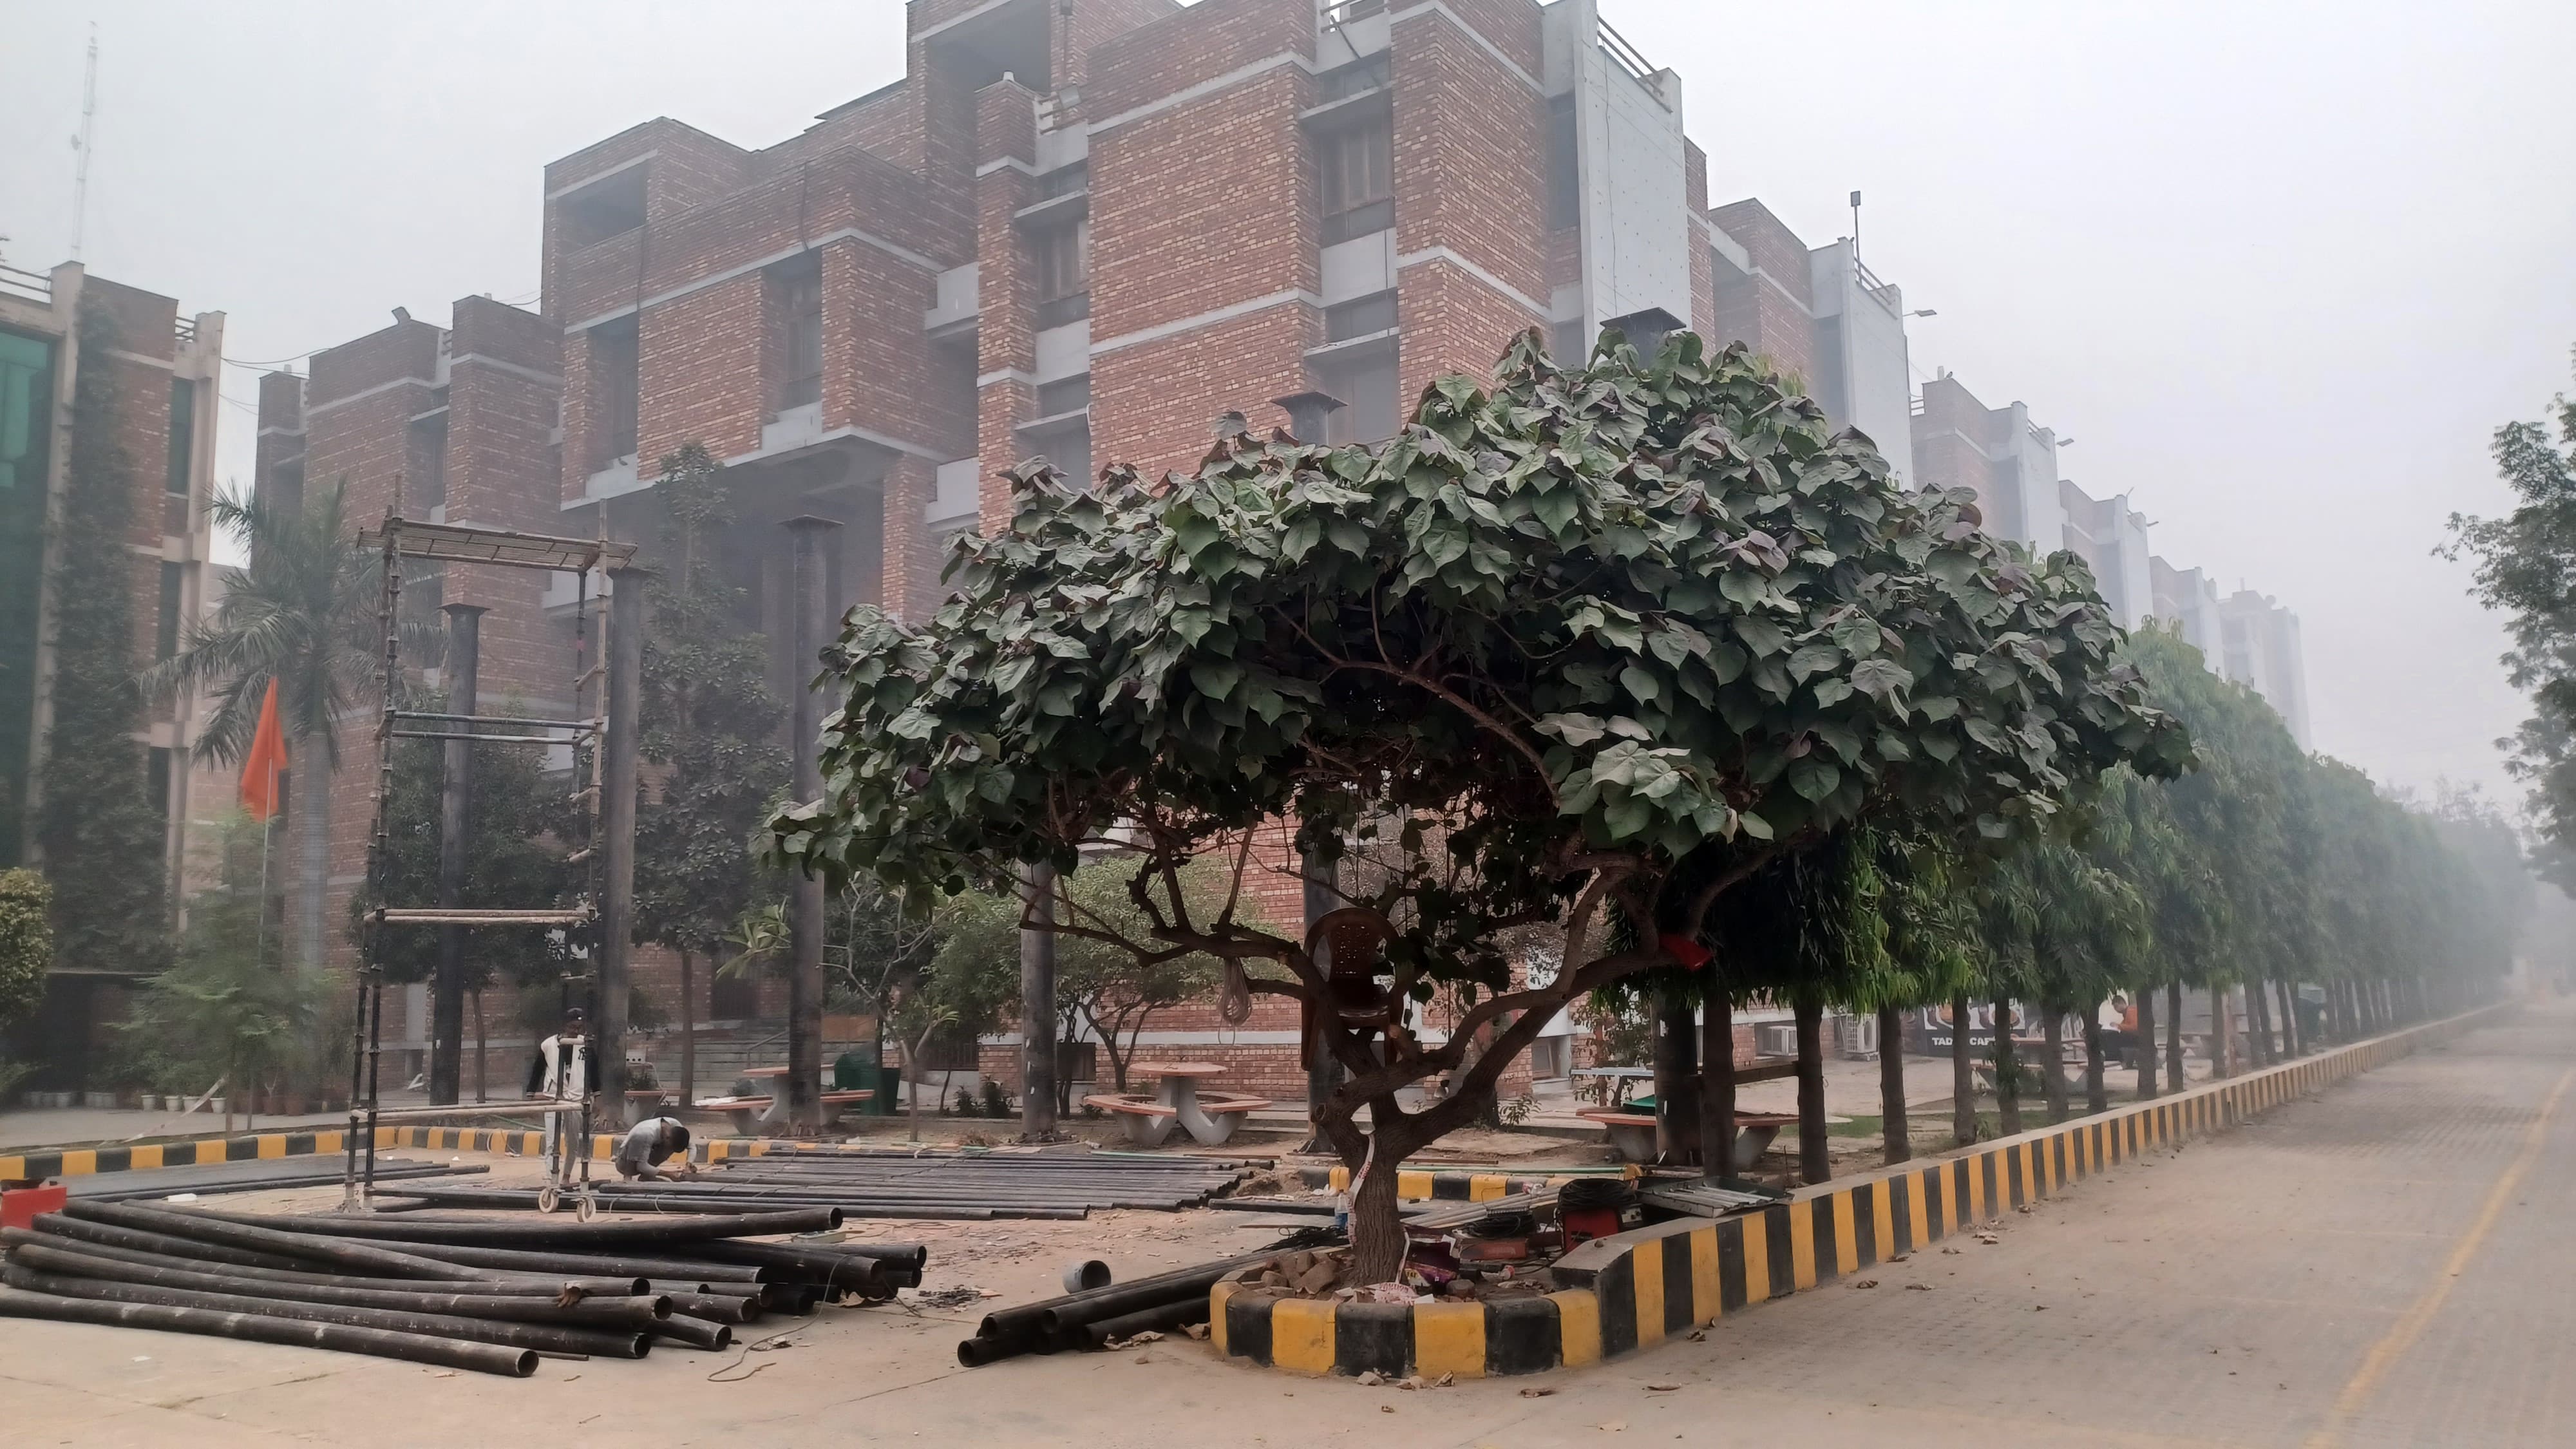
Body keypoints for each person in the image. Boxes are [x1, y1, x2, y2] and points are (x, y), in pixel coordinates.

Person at [614, 1116, 695, 1181]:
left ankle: (647, 1177)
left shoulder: (676, 1127)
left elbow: (692, 1147)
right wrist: (669, 1174)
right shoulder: (646, 1134)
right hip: (623, 1163)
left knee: (665, 1148)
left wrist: (688, 1166)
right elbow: (641, 1166)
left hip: (646, 1147)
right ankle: (627, 1178)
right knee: (637, 1145)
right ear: (668, 1139)